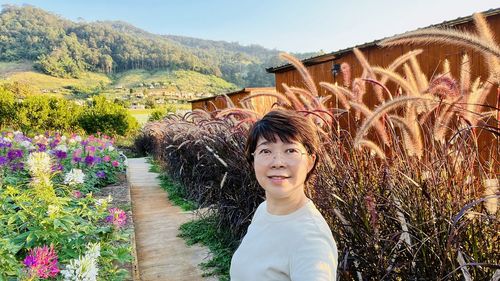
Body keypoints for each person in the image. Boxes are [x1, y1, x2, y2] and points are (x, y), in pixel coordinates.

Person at [230, 109, 338, 281]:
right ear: (253, 160)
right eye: (266, 151)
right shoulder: (264, 211)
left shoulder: (311, 240)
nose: (278, 162)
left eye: (290, 150)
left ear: (310, 161)